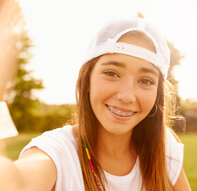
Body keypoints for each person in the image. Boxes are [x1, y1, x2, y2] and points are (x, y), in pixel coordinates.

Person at [0, 18, 191, 191]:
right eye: (111, 73)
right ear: (87, 79)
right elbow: (18, 182)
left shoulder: (163, 148)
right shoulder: (57, 152)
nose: (127, 96)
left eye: (146, 80)